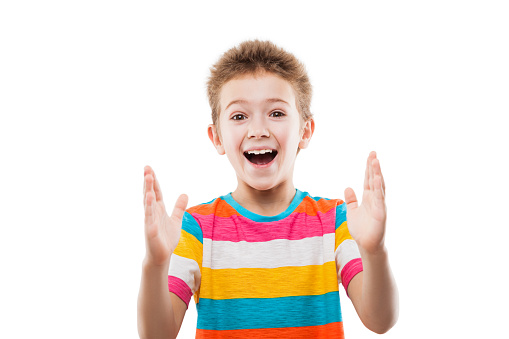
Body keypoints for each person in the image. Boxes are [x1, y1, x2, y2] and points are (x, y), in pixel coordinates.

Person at [138, 40, 398, 339]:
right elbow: (157, 335)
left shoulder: (335, 221)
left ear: (305, 130)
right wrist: (156, 264)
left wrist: (374, 251)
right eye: (239, 116)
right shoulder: (195, 228)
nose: (258, 129)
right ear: (217, 137)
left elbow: (380, 321)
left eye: (276, 113)